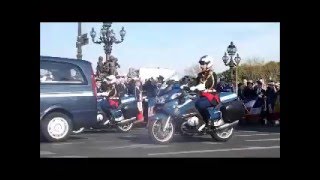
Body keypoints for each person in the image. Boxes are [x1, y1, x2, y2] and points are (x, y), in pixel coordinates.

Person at [192, 55, 221, 128]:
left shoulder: (212, 74)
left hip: (211, 97)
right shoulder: (200, 74)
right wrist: (185, 85)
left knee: (198, 104)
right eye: (201, 64)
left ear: (208, 63)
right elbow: (194, 82)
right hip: (202, 96)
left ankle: (207, 121)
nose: (201, 66)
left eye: (203, 63)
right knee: (190, 103)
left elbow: (211, 84)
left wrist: (201, 87)